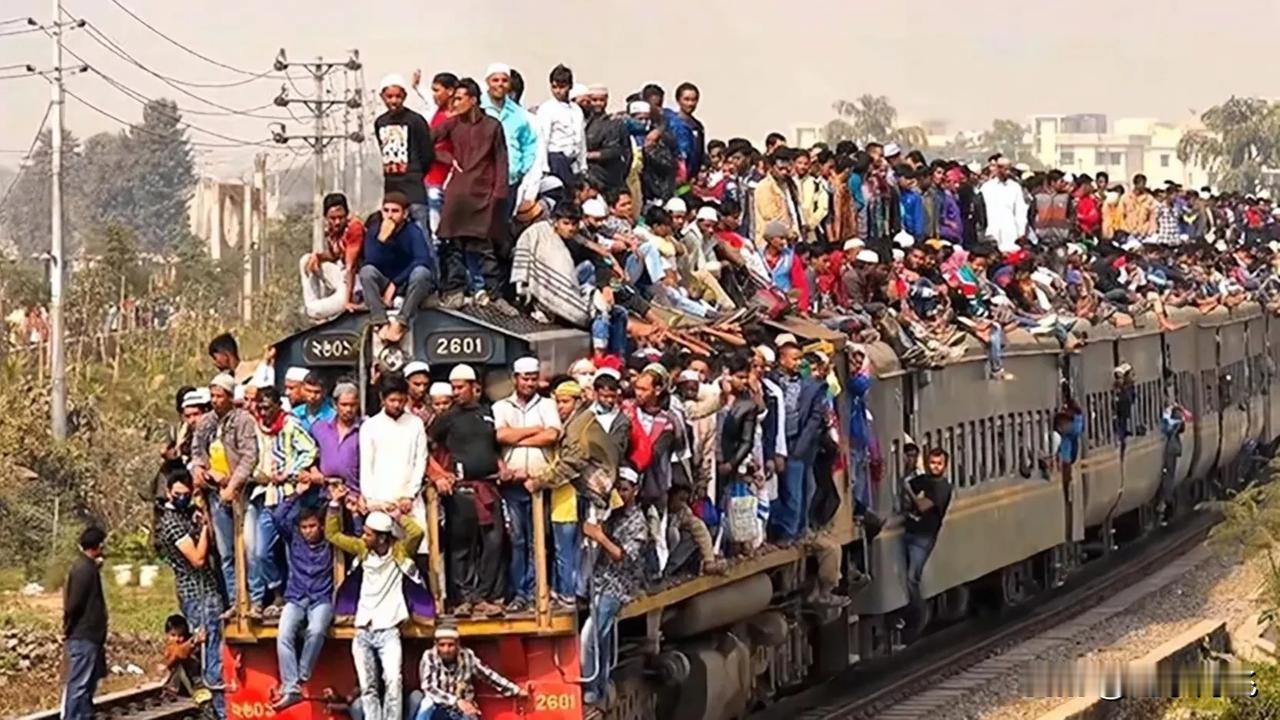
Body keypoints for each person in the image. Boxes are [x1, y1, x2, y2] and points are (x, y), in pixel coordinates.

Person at [326, 487, 424, 720]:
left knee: (393, 681)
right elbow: (333, 534)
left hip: (388, 630)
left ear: (381, 537)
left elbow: (416, 533)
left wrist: (397, 515)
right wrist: (334, 504)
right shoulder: (362, 550)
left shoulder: (399, 551)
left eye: (368, 534)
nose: (363, 537)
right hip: (363, 629)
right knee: (367, 686)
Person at [526, 380, 618, 607]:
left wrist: (539, 482)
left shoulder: (579, 426)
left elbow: (570, 464)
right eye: (558, 402)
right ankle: (566, 590)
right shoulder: (579, 422)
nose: (560, 407)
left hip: (583, 492)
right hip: (580, 491)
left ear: (577, 402)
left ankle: (569, 593)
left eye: (565, 402)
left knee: (567, 547)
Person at [433, 78, 516, 315]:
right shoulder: (452, 124)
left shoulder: (492, 126)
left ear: (473, 100)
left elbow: (502, 161)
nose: (455, 103)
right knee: (454, 245)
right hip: (458, 194)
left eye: (459, 99)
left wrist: (499, 194)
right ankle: (455, 292)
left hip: (483, 194)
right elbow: (426, 141)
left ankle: (495, 296)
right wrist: (447, 159)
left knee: (486, 248)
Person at [429, 364, 506, 617]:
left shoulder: (488, 413)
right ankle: (462, 599)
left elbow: (494, 447)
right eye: (453, 388)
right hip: (461, 490)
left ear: (475, 387)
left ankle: (483, 596)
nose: (456, 392)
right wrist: (440, 474)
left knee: (493, 543)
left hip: (488, 487)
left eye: (460, 387)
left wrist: (502, 465)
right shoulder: (447, 418)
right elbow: (425, 447)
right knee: (461, 546)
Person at [155, 463, 227, 719]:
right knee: (210, 654)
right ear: (169, 492)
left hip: (205, 591)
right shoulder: (172, 523)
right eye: (178, 494)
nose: (183, 498)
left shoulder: (186, 516)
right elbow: (197, 558)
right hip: (198, 594)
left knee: (213, 650)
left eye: (187, 493)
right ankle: (219, 712)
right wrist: (206, 527)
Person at [493, 357, 562, 613]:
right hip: (512, 484)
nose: (530, 383)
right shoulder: (501, 406)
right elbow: (500, 435)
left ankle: (536, 590)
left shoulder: (547, 404)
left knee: (538, 540)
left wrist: (516, 438)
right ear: (515, 379)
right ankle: (519, 592)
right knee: (517, 540)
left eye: (533, 378)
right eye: (525, 378)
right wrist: (534, 430)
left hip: (539, 482)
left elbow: (552, 435)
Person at [247, 385, 318, 620]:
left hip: (288, 496)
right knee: (261, 551)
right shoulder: (256, 428)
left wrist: (291, 471)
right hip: (267, 496)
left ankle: (294, 597)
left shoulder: (290, 426)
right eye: (260, 408)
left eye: (268, 408)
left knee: (292, 550)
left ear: (278, 406)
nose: (264, 412)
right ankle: (276, 590)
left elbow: (310, 450)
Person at [580, 470, 649, 706]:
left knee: (590, 636)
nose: (621, 493)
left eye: (625, 489)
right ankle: (601, 684)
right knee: (603, 637)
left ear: (635, 491)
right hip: (600, 581)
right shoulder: (613, 515)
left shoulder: (638, 523)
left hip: (617, 586)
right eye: (618, 488)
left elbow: (623, 556)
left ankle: (590, 688)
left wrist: (599, 537)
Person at [190, 373, 259, 609]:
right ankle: (234, 600)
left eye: (220, 396)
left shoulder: (243, 421)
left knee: (250, 549)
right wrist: (199, 469)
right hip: (215, 492)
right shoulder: (206, 422)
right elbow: (197, 451)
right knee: (226, 552)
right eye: (213, 396)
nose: (215, 400)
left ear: (230, 397)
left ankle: (255, 598)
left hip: (242, 492)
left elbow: (249, 456)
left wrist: (233, 484)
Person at [270, 490, 335, 710]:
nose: (308, 531)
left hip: (321, 597)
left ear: (321, 526)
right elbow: (278, 517)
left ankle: (300, 678)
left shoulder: (330, 541)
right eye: (304, 527)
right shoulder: (295, 539)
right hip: (296, 596)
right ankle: (292, 686)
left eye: (312, 526)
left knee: (316, 630)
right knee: (283, 634)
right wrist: (296, 495)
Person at [360, 374, 429, 560]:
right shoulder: (370, 426)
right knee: (382, 553)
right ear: (382, 399)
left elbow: (420, 460)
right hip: (380, 500)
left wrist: (410, 495)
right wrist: (372, 500)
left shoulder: (415, 424)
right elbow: (366, 465)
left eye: (401, 400)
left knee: (416, 550)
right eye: (392, 400)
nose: (397, 405)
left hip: (409, 501)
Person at [769, 340, 828, 544]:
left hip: (797, 442)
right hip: (775, 441)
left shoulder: (813, 386)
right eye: (794, 359)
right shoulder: (772, 382)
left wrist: (801, 445)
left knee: (794, 490)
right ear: (782, 359)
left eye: (800, 359)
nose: (798, 363)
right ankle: (777, 528)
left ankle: (790, 531)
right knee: (775, 489)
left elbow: (815, 418)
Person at [360, 192, 436, 345]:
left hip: (407, 282)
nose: (389, 215)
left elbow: (422, 259)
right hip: (385, 280)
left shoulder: (413, 231)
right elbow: (371, 261)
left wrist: (395, 283)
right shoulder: (374, 231)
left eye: (395, 211)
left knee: (421, 273)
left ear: (404, 213)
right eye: (386, 210)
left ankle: (401, 323)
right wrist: (383, 241)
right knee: (366, 272)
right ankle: (380, 322)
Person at [414, 625, 526, 720]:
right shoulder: (429, 656)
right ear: (436, 644)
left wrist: (515, 690)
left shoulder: (467, 656)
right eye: (442, 645)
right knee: (426, 704)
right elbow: (429, 687)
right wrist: (456, 701)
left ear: (457, 644)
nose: (446, 650)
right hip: (439, 706)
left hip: (462, 709)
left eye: (450, 645)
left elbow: (487, 675)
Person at [899, 448, 953, 644]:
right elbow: (909, 485)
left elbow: (922, 506)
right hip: (910, 531)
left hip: (924, 537)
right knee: (905, 577)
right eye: (932, 463)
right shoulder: (925, 480)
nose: (935, 467)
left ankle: (918, 617)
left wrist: (908, 491)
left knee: (912, 578)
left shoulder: (943, 487)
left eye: (939, 463)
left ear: (945, 466)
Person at [374, 74, 435, 238]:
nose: (394, 101)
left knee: (421, 231)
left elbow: (427, 154)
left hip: (413, 187)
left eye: (398, 96)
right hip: (392, 186)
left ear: (404, 96)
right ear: (382, 97)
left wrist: (415, 173)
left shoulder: (415, 121)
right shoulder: (380, 122)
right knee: (392, 233)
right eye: (389, 96)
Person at [62, 526, 108, 720]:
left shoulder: (87, 567)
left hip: (90, 635)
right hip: (83, 634)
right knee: (79, 683)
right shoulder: (84, 570)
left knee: (88, 682)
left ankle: (84, 715)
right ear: (98, 545)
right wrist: (67, 628)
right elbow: (74, 604)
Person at [300, 193, 365, 321]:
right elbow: (334, 255)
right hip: (342, 275)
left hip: (356, 282)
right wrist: (318, 257)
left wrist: (347, 301)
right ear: (326, 217)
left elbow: (351, 266)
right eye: (333, 218)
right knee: (306, 260)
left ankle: (314, 312)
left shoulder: (354, 228)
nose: (337, 222)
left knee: (313, 310)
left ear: (347, 215)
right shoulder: (331, 230)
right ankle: (315, 311)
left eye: (341, 217)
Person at [534, 64, 587, 190]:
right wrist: (544, 167)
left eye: (562, 87)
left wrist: (583, 165)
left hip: (573, 161)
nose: (558, 91)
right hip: (556, 159)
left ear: (570, 86)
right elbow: (542, 139)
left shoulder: (576, 110)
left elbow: (581, 139)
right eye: (554, 87)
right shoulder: (547, 109)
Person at [980, 157, 1029, 253]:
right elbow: (981, 210)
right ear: (998, 168)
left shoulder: (1015, 187)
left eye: (1009, 169)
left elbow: (1020, 211)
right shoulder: (987, 187)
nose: (1007, 172)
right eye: (1004, 169)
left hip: (1010, 231)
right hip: (992, 230)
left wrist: (1021, 232)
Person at [160, 614, 210, 707]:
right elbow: (179, 652)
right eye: (173, 635)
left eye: (180, 635)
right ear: (167, 635)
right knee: (179, 664)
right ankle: (195, 691)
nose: (177, 639)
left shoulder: (187, 643)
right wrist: (193, 642)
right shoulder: (170, 647)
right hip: (180, 685)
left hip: (193, 678)